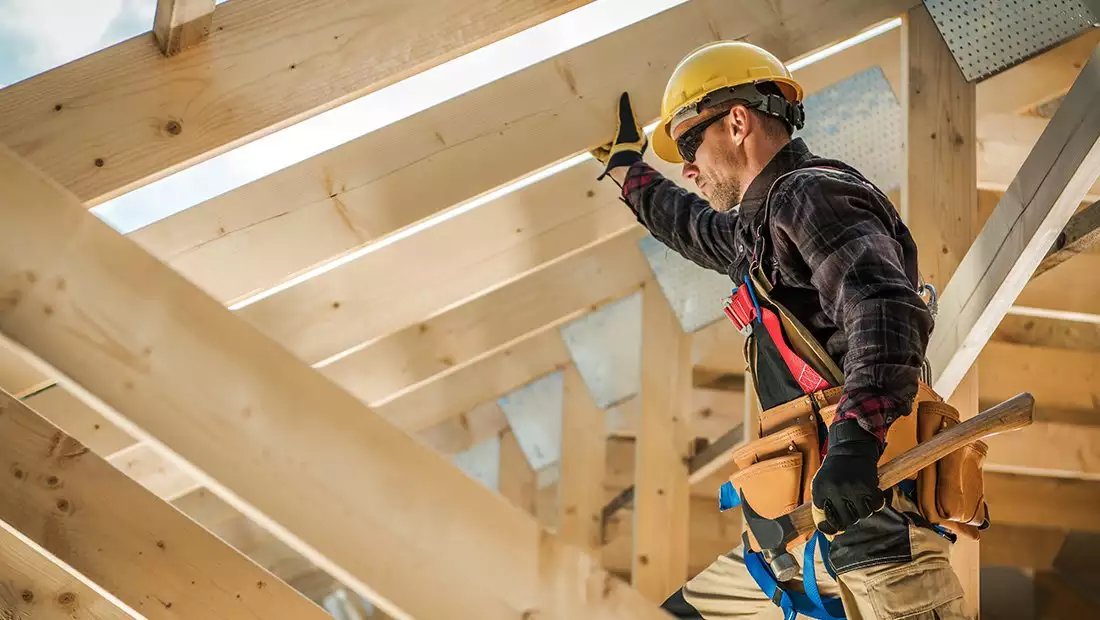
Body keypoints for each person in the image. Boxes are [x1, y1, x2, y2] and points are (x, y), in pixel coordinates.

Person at [591, 41, 975, 620]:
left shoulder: (810, 194)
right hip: (797, 547)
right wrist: (626, 168)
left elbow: (884, 310)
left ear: (738, 122)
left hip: (877, 542)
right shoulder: (761, 228)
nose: (688, 167)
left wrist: (853, 444)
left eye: (690, 144)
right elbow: (688, 225)